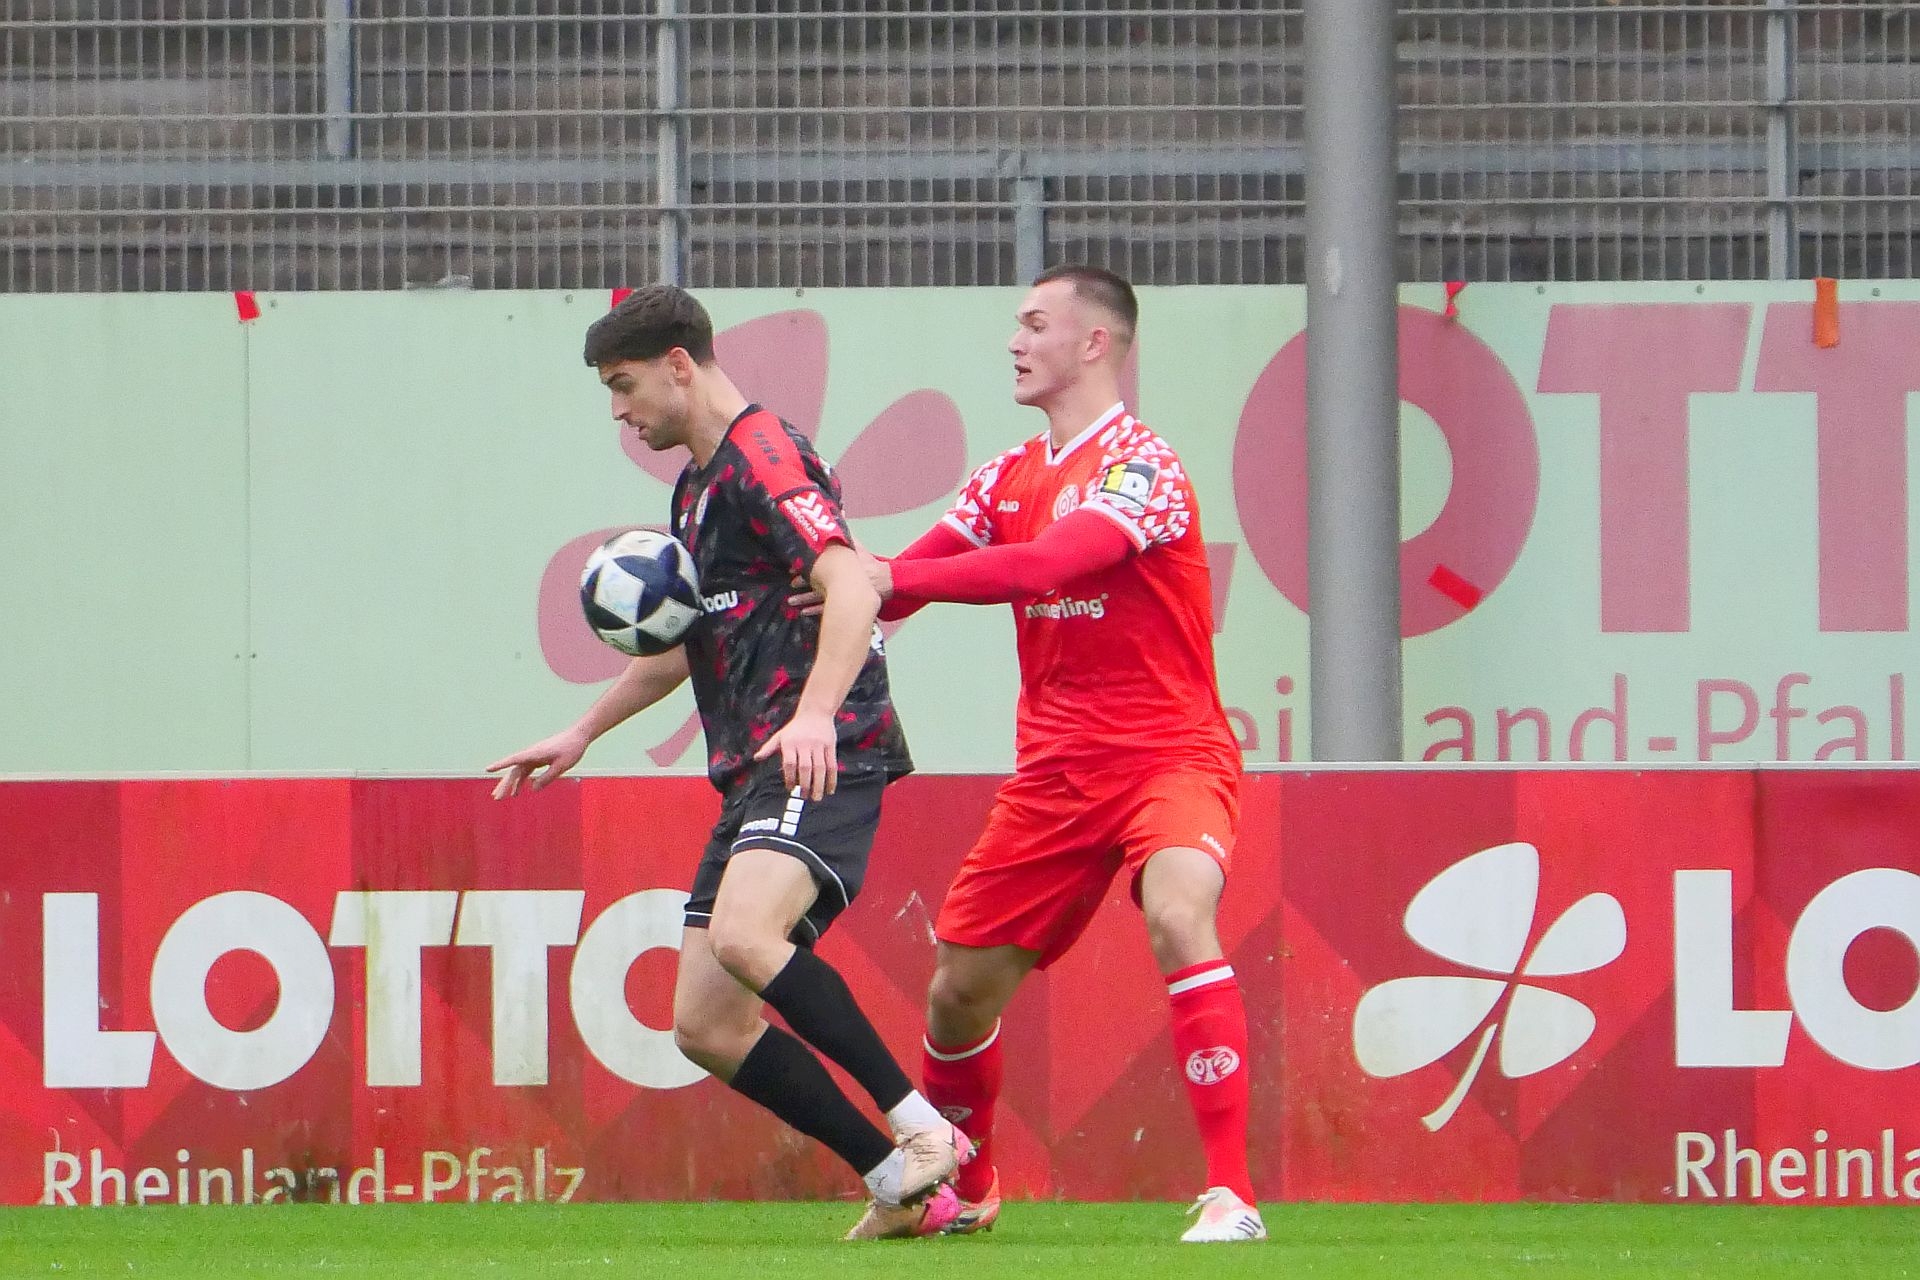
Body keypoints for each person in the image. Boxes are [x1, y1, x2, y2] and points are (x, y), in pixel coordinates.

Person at [487, 284, 968, 1241]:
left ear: (678, 364)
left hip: (823, 750)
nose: (619, 411)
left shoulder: (763, 455)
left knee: (749, 936)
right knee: (705, 1025)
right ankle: (899, 1185)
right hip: (756, 766)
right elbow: (686, 644)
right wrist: (583, 731)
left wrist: (818, 716)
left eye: (623, 385)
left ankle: (924, 1131)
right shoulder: (697, 485)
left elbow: (850, 584)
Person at [854, 266, 1263, 1242]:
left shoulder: (1143, 466)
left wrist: (882, 579)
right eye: (1017, 324)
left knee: (1180, 912)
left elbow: (1042, 566)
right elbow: (909, 577)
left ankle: (1232, 1194)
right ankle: (970, 1186)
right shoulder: (1005, 477)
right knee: (958, 995)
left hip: (1170, 755)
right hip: (1055, 775)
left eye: (1035, 323)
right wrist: (833, 592)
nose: (1015, 340)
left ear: (1094, 342)